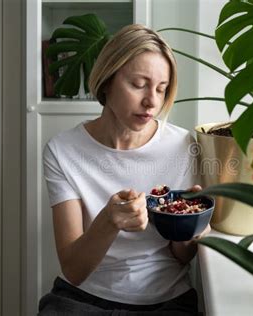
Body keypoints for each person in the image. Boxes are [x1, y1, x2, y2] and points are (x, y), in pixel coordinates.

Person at [39, 24, 207, 316]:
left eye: (161, 89)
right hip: (80, 299)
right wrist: (109, 220)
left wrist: (189, 229)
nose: (152, 102)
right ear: (107, 81)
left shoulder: (183, 146)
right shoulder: (62, 150)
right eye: (138, 84)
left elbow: (180, 257)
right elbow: (74, 270)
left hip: (165, 303)